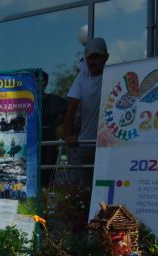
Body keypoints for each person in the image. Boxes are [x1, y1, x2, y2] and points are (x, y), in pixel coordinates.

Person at [62, 37, 109, 184]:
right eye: (89, 57)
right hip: (87, 143)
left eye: (97, 56)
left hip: (108, 145)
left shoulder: (112, 74)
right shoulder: (83, 76)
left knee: (105, 186)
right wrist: (68, 135)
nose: (93, 61)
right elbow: (72, 105)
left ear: (106, 57)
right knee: (84, 187)